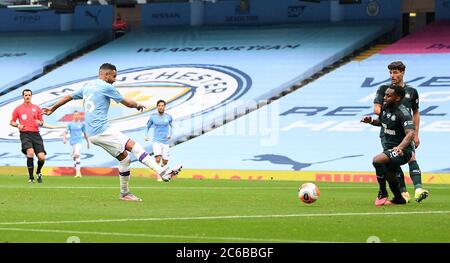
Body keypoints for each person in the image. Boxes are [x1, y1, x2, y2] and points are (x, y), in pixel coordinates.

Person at [43, 63, 182, 201]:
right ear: (106, 74)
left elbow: (69, 96)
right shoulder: (106, 87)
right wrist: (138, 105)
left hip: (93, 134)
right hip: (102, 129)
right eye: (114, 76)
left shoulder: (87, 86)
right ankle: (163, 172)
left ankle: (125, 194)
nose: (115, 79)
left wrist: (52, 108)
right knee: (135, 146)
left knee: (125, 159)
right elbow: (127, 102)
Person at [373, 61, 429, 203]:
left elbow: (415, 113)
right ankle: (403, 193)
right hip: (388, 132)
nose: (393, 75)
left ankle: (417, 189)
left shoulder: (411, 92)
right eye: (391, 72)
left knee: (411, 157)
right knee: (392, 163)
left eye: (396, 72)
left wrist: (416, 133)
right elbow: (376, 109)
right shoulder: (384, 89)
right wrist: (388, 117)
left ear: (403, 73)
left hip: (406, 131)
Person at [362, 85, 415, 205]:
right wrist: (370, 121)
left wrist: (400, 147)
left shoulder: (403, 113)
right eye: (385, 94)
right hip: (389, 148)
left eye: (388, 95)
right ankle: (398, 199)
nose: (384, 97)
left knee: (377, 160)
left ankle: (382, 192)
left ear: (397, 98)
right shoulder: (385, 108)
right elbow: (382, 123)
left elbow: (410, 133)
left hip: (403, 151)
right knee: (390, 173)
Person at [10, 89, 46, 183]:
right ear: (23, 96)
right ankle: (31, 178)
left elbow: (41, 122)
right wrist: (18, 125)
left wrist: (40, 122)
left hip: (36, 134)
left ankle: (38, 172)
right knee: (30, 152)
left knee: (42, 157)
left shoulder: (37, 108)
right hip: (25, 134)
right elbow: (11, 122)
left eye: (29, 95)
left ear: (31, 96)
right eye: (26, 95)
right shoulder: (18, 109)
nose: (27, 97)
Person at [145, 100, 173, 181]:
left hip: (165, 142)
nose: (161, 107)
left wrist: (170, 134)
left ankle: (161, 170)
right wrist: (146, 135)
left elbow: (172, 126)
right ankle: (159, 176)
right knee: (157, 159)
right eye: (159, 105)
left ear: (164, 107)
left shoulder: (168, 117)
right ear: (157, 107)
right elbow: (147, 126)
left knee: (165, 161)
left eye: (162, 105)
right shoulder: (153, 117)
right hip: (156, 141)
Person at [62, 110, 90, 178]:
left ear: (79, 116)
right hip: (72, 143)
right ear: (73, 116)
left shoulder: (82, 124)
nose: (77, 116)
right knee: (74, 157)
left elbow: (85, 133)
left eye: (78, 115)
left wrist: (88, 142)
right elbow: (65, 132)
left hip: (79, 142)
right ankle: (77, 170)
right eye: (75, 115)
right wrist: (64, 139)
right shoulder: (70, 124)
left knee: (77, 154)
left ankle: (78, 173)